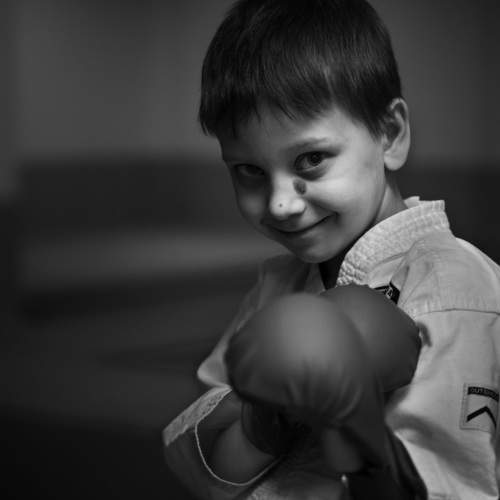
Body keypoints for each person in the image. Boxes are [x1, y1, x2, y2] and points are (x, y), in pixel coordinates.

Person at [162, 0, 500, 498]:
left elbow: (457, 486)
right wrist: (266, 420)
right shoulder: (280, 283)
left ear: (390, 134)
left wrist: (355, 429)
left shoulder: (453, 290)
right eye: (249, 170)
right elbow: (209, 474)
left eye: (312, 159)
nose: (279, 203)